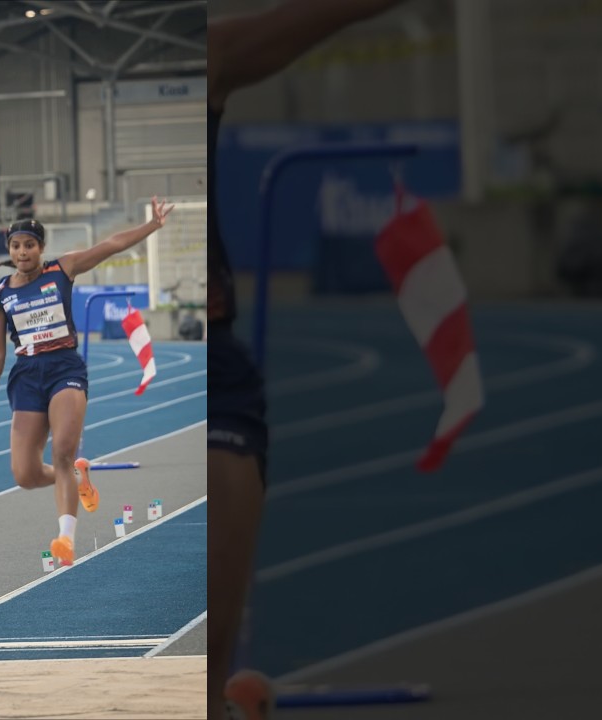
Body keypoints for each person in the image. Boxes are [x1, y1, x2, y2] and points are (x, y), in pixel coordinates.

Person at [209, 2, 410, 719]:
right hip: (137, 377)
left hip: (213, 373)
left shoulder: (183, 59)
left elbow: (228, 50)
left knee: (210, 658)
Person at [0, 198, 175, 566]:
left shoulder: (62, 269)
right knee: (25, 474)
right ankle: (80, 478)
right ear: (9, 249)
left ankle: (65, 538)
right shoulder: (0, 294)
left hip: (65, 368)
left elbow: (109, 246)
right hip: (27, 375)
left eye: (29, 245)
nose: (23, 252)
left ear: (41, 248)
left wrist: (152, 226)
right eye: (16, 246)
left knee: (62, 451)